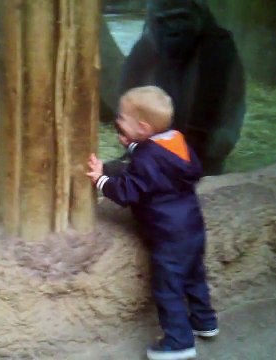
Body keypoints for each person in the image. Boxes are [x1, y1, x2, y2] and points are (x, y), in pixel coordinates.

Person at [86, 86, 218, 360]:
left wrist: (101, 180)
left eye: (122, 117)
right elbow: (154, 165)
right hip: (192, 228)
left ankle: (179, 340)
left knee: (167, 289)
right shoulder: (176, 143)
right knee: (194, 277)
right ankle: (205, 322)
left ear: (143, 127)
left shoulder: (146, 158)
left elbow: (128, 191)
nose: (117, 121)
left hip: (168, 237)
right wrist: (133, 147)